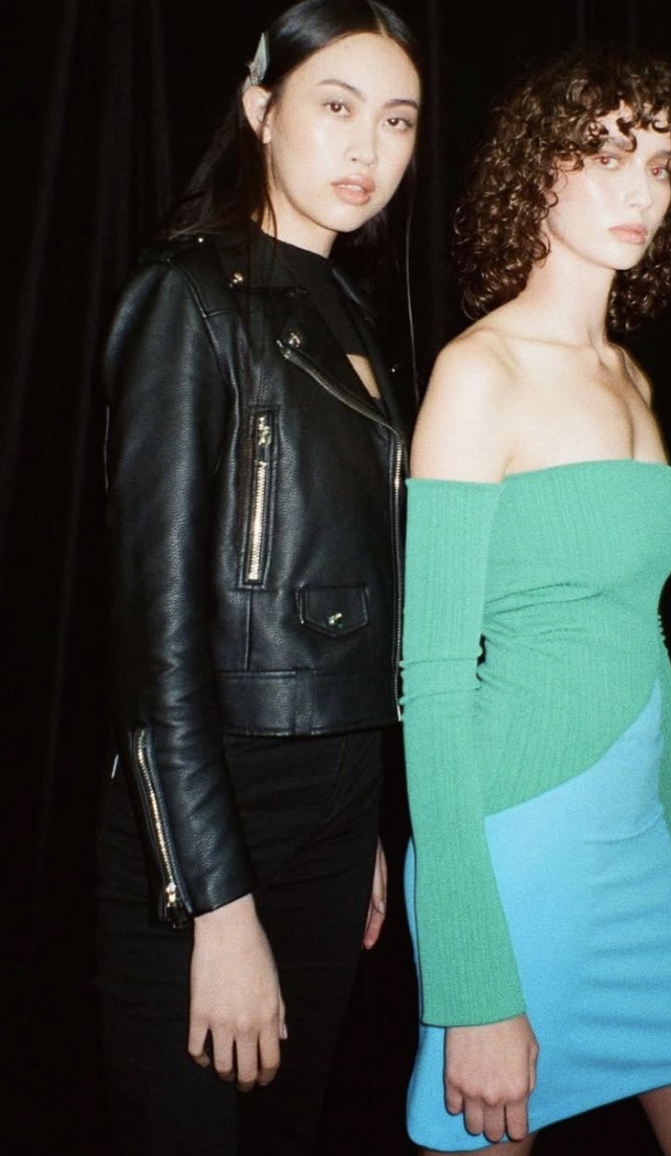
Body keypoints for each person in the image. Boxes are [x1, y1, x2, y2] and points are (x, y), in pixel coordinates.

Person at [400, 48, 671, 1155]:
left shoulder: (630, 377)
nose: (638, 189)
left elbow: (638, 634)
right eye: (607, 153)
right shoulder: (479, 373)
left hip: (637, 853)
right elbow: (427, 684)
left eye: (660, 164)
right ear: (539, 174)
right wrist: (471, 987)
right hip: (517, 854)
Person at [96, 2, 420, 1153]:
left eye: (395, 120)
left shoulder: (350, 314)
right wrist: (216, 907)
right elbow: (157, 645)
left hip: (332, 814)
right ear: (259, 110)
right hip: (206, 814)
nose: (365, 149)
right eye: (334, 108)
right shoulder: (187, 298)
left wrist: (362, 818)